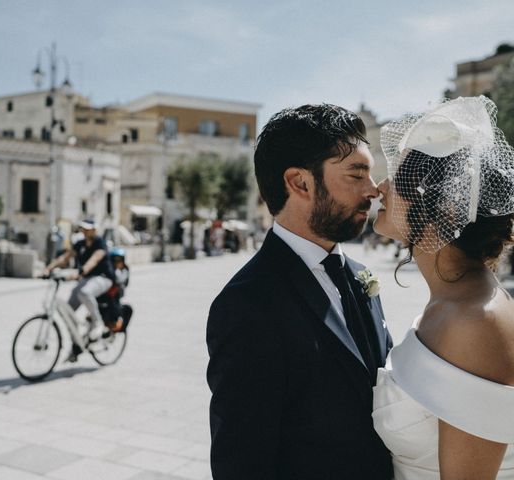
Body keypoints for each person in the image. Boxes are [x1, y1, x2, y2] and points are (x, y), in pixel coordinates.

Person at [207, 104, 393, 479]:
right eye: (357, 174)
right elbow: (241, 463)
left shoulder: (361, 277)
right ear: (300, 183)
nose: (374, 190)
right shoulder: (246, 304)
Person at [372, 95, 514, 479]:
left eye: (397, 178)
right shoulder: (456, 305)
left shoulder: (476, 322)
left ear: (446, 208)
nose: (380, 187)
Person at [43, 220, 115, 359]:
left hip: (103, 278)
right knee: (68, 312)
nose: (85, 231)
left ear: (94, 230)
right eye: (83, 229)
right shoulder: (80, 244)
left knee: (84, 292)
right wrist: (48, 268)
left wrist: (80, 272)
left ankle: (97, 323)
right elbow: (65, 257)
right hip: (86, 279)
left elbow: (94, 260)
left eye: (88, 229)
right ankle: (77, 345)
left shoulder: (100, 242)